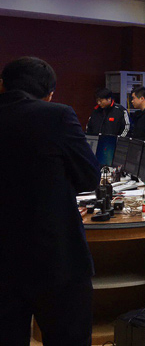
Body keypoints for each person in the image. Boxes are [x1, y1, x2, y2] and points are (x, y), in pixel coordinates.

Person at [0, 57, 99, 345]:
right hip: (53, 257)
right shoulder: (57, 116)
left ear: (3, 85)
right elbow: (89, 177)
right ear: (49, 94)